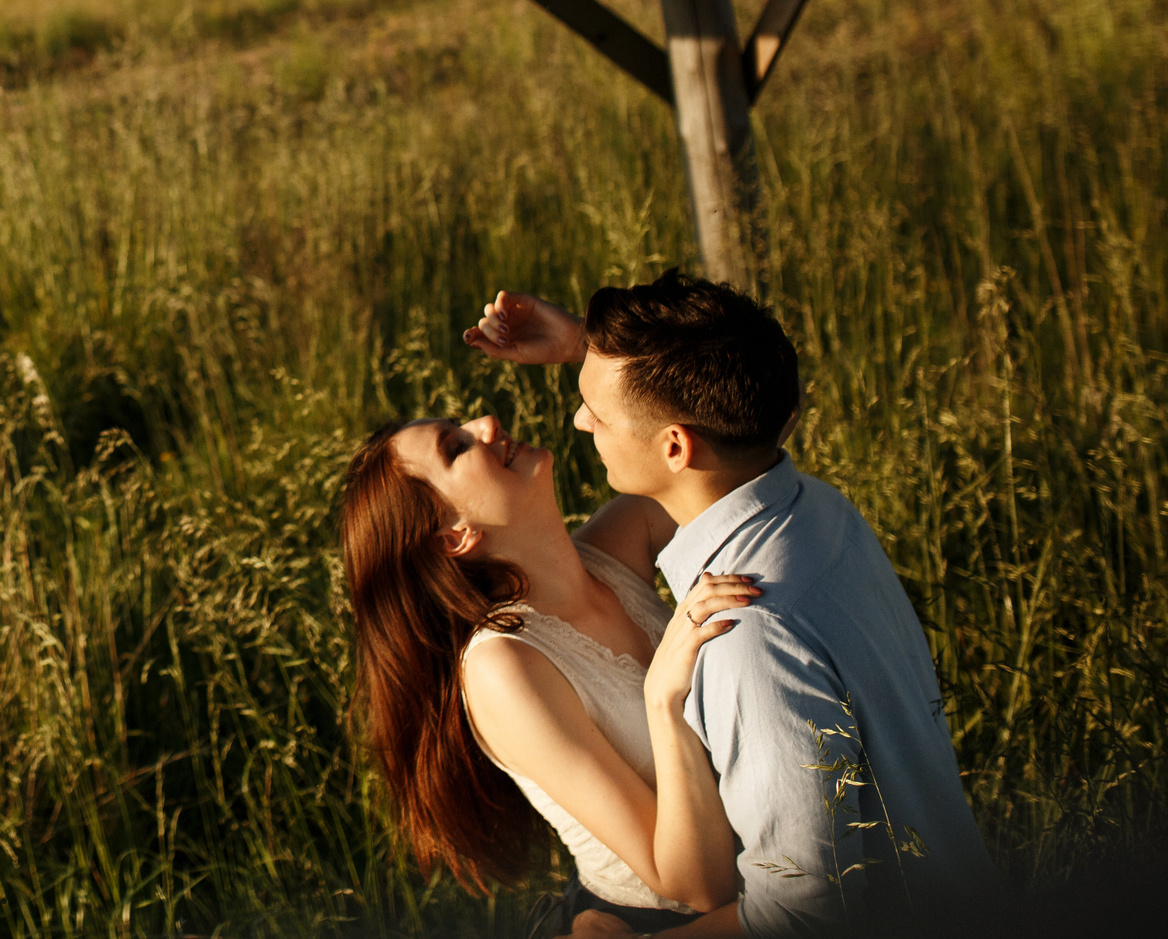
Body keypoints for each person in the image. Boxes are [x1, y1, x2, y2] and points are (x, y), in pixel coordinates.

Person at [466, 272, 1003, 936]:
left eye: (595, 412)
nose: (581, 420)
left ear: (674, 446)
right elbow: (728, 380)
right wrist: (589, 346)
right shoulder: (820, 511)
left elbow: (804, 913)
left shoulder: (746, 633)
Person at [344, 400, 760, 936]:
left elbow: (745, 451)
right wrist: (664, 700)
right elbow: (696, 884)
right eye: (456, 448)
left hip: (776, 870)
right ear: (453, 537)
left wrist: (590, 360)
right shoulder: (503, 666)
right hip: (651, 924)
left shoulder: (615, 542)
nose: (485, 424)